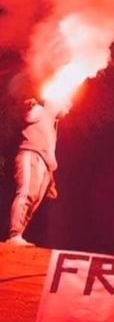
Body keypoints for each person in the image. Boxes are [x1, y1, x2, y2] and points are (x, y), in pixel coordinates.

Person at [6, 101, 58, 246]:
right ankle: (14, 234)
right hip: (31, 154)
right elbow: (27, 115)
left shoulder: (52, 127)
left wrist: (51, 180)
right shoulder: (40, 110)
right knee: (26, 193)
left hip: (44, 166)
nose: (68, 106)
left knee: (33, 202)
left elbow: (50, 155)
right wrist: (30, 106)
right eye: (66, 104)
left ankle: (18, 235)